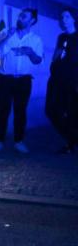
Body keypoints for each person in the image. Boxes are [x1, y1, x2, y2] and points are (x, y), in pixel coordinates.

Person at [0, 8, 44, 153]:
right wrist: (8, 36)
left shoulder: (36, 39)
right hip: (5, 79)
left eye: (24, 17)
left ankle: (19, 141)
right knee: (3, 110)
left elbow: (38, 60)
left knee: (20, 111)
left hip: (24, 81)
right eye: (20, 15)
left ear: (32, 21)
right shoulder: (6, 32)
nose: (20, 18)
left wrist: (31, 52)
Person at [45, 9, 78, 154]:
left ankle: (71, 144)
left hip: (73, 80)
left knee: (72, 113)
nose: (63, 19)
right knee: (51, 110)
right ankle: (73, 138)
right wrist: (53, 66)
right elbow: (57, 55)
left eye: (67, 16)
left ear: (74, 19)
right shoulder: (61, 37)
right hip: (57, 79)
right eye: (61, 16)